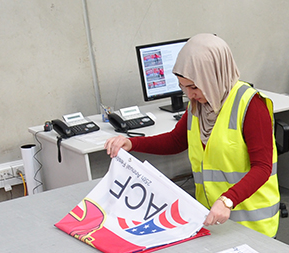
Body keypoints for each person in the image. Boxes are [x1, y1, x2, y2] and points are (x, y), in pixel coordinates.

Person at [104, 33, 280, 237]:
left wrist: (227, 200)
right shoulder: (200, 106)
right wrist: (131, 143)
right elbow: (176, 141)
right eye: (183, 87)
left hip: (252, 223)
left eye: (194, 87)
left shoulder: (250, 105)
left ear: (213, 76)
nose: (189, 95)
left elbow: (263, 167)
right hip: (212, 218)